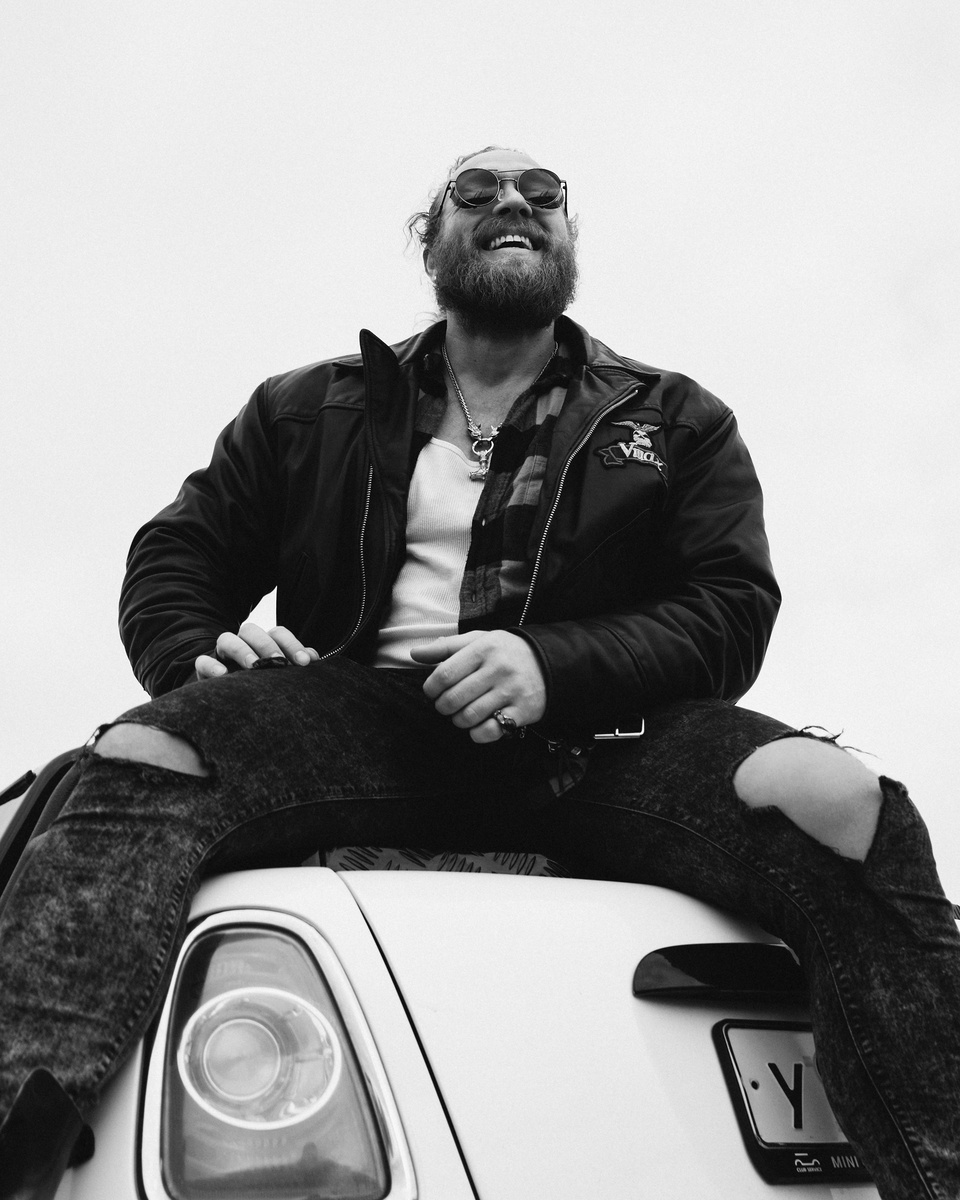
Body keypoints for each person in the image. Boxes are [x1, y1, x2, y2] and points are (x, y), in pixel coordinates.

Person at [0, 145, 957, 1200]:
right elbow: (177, 556)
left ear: (568, 239)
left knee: (837, 801)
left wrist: (553, 664)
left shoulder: (676, 417)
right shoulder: (306, 408)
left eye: (543, 194)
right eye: (478, 191)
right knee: (145, 753)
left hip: (606, 740)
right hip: (357, 721)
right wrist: (199, 650)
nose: (514, 203)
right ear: (433, 243)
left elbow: (730, 607)